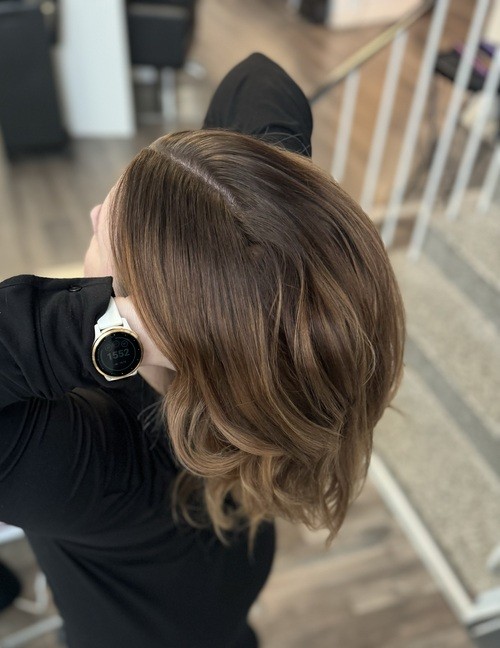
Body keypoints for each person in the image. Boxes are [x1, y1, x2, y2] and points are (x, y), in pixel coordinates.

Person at [0, 54, 405, 647]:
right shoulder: (259, 380)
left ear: (139, 315)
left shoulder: (96, 469)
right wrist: (266, 211)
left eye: (102, 231)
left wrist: (114, 329)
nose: (92, 211)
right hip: (227, 609)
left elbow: (259, 77)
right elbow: (259, 76)